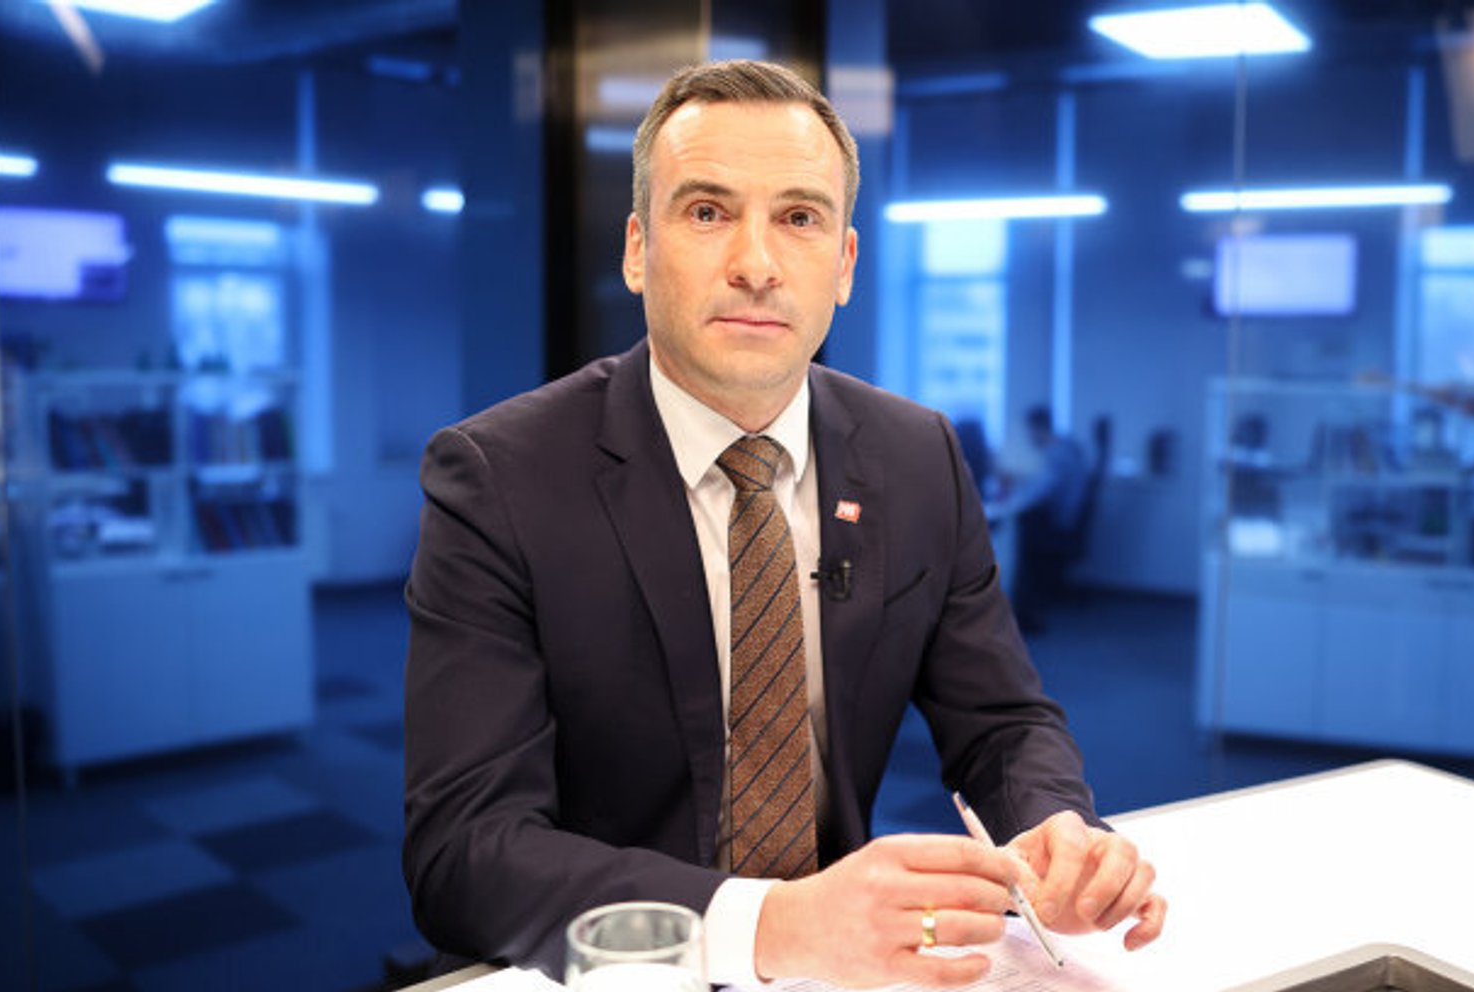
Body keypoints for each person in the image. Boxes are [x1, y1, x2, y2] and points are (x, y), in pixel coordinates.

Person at [402, 59, 1165, 987]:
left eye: (799, 218)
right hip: (608, 968)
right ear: (638, 249)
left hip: (839, 967)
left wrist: (1055, 833)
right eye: (707, 212)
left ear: (843, 266)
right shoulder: (499, 478)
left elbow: (1002, 723)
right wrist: (774, 921)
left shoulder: (916, 456)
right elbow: (463, 851)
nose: (756, 265)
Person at [1010, 405, 1092, 632]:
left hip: (1061, 524)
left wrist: (1013, 501)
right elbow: (1042, 485)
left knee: (1019, 528)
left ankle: (1024, 602)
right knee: (1026, 520)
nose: (1029, 436)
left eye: (1029, 430)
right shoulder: (1067, 447)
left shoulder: (1057, 454)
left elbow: (1042, 490)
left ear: (1038, 428)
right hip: (1067, 519)